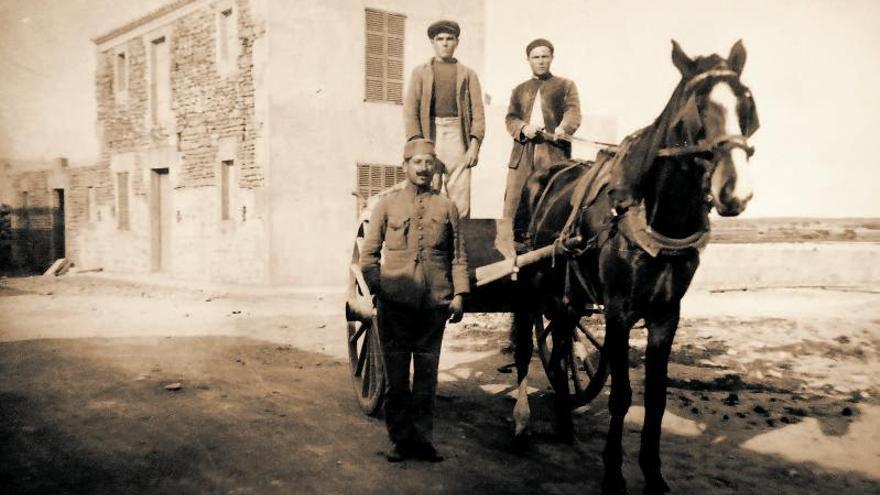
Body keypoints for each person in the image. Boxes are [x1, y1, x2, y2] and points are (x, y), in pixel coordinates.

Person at [360, 138, 469, 463]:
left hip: (433, 306)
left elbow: (458, 256)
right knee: (396, 379)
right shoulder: (387, 205)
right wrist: (383, 290)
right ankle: (399, 440)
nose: (423, 168)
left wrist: (460, 294)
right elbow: (368, 257)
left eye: (429, 162)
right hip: (395, 308)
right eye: (417, 162)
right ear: (405, 166)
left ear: (436, 167)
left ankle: (423, 441)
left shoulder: (447, 207)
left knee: (426, 378)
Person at [504, 38, 581, 249]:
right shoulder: (519, 90)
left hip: (553, 152)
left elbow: (573, 111)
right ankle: (515, 249)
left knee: (551, 201)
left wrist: (563, 128)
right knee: (517, 201)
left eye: (544, 56)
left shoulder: (565, 85)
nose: (540, 61)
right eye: (535, 57)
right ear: (528, 60)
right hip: (523, 153)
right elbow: (510, 117)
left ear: (552, 58)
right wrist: (522, 128)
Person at [404, 20, 485, 218]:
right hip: (429, 132)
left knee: (460, 195)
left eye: (450, 39)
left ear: (457, 42)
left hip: (457, 132)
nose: (445, 43)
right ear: (433, 42)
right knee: (429, 189)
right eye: (440, 39)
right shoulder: (420, 72)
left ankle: (458, 244)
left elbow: (478, 113)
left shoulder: (468, 74)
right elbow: (411, 110)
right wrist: (418, 143)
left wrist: (474, 145)